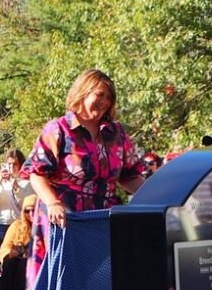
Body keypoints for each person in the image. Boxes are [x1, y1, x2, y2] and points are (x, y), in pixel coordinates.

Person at [21, 69, 146, 277]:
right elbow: (37, 173)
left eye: (109, 97)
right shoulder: (58, 129)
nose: (104, 101)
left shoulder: (116, 133)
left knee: (101, 282)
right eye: (99, 95)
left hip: (103, 218)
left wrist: (157, 194)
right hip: (63, 218)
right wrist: (53, 203)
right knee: (64, 281)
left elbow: (130, 176)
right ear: (83, 93)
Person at [0, 196, 34, 290]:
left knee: (23, 265)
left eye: (33, 210)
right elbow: (5, 246)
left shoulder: (45, 226)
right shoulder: (17, 225)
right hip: (16, 258)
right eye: (27, 210)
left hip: (35, 260)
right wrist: (10, 253)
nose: (30, 213)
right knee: (9, 263)